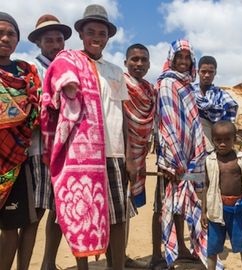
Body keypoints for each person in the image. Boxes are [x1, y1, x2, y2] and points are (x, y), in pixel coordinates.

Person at [40, 4, 135, 270]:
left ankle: (116, 266)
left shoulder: (116, 72)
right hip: (80, 156)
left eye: (101, 33)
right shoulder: (68, 62)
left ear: (108, 37)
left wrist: (129, 156)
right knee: (82, 215)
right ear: (81, 34)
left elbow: (122, 115)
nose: (96, 37)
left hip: (114, 154)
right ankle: (82, 268)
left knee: (118, 217)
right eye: (90, 31)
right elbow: (55, 88)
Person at [150, 39, 208, 269]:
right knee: (162, 205)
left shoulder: (188, 86)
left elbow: (192, 122)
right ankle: (157, 254)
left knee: (181, 203)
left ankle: (181, 247)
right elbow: (166, 121)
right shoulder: (165, 83)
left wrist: (193, 153)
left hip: (188, 156)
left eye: (187, 57)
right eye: (179, 57)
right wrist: (175, 156)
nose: (183, 62)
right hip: (170, 157)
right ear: (171, 58)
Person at [27, 14, 72, 270]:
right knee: (35, 212)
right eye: (49, 40)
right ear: (38, 43)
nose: (55, 45)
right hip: (37, 151)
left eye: (59, 40)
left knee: (58, 210)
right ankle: (23, 262)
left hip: (64, 151)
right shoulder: (32, 69)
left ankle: (48, 263)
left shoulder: (69, 68)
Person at [0, 12, 40, 270]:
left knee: (14, 224)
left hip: (17, 158)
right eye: (0, 32)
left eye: (11, 33)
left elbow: (36, 111)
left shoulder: (26, 74)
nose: (5, 38)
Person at [201, 120, 242, 270]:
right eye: (218, 140)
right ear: (213, 140)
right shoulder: (210, 161)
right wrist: (203, 211)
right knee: (212, 250)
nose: (222, 143)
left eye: (227, 139)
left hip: (238, 210)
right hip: (216, 210)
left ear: (234, 139)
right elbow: (206, 186)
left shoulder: (241, 159)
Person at [122, 43, 156, 268]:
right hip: (119, 153)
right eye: (134, 59)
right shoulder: (120, 83)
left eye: (143, 60)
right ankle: (116, 258)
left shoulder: (150, 90)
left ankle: (120, 255)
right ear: (126, 62)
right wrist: (127, 157)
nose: (139, 64)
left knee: (125, 208)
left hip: (140, 154)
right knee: (116, 209)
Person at [192, 55, 238, 152]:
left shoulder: (223, 96)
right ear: (198, 72)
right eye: (203, 72)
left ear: (215, 73)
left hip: (215, 147)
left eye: (211, 72)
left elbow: (228, 125)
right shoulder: (189, 93)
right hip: (191, 144)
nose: (207, 75)